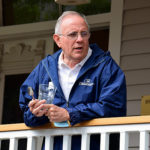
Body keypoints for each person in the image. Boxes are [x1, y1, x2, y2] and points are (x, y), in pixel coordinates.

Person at [19, 11, 126, 150]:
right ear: (58, 40)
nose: (80, 39)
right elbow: (27, 113)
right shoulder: (44, 68)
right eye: (72, 34)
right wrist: (37, 114)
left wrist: (70, 114)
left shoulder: (106, 67)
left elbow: (113, 108)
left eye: (84, 33)